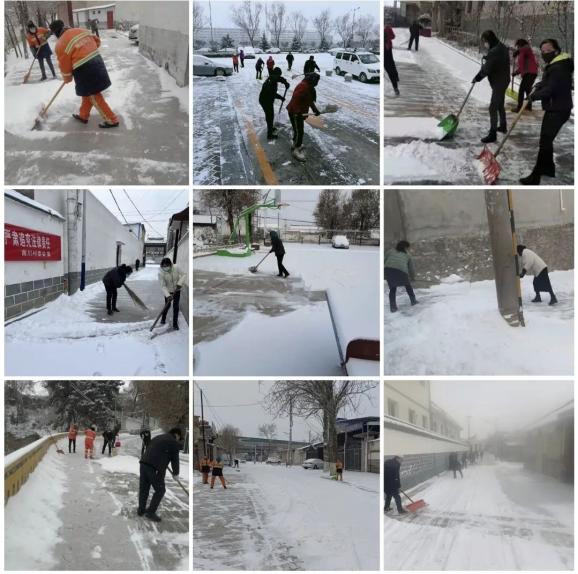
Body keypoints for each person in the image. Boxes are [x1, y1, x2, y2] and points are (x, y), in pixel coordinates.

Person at [520, 39, 573, 185]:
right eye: (542, 51)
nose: (544, 54)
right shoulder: (556, 64)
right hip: (556, 108)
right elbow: (550, 83)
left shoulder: (559, 67)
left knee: (544, 143)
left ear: (556, 50)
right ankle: (548, 168)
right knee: (546, 141)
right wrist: (540, 84)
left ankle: (535, 176)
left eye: (548, 51)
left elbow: (551, 90)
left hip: (558, 110)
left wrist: (533, 96)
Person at [49, 19, 119, 128]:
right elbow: (97, 41)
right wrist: (87, 49)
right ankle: (83, 115)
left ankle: (112, 119)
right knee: (88, 93)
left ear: (55, 32)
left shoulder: (60, 44)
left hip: (85, 69)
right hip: (97, 62)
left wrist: (67, 78)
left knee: (93, 95)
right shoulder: (81, 30)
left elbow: (64, 64)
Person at [472, 30, 510, 143]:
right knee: (500, 104)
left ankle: (492, 134)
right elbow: (497, 61)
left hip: (499, 82)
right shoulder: (501, 46)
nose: (484, 43)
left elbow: (487, 69)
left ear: (489, 39)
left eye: (485, 41)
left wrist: (478, 77)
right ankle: (503, 126)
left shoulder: (494, 51)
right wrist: (488, 58)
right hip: (504, 79)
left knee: (493, 107)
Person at [138, 427, 182, 522]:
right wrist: (176, 473)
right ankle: (150, 512)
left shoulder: (158, 437)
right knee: (160, 490)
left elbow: (151, 447)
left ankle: (141, 510)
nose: (179, 439)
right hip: (154, 468)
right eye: (179, 437)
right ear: (177, 435)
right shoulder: (173, 442)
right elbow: (175, 460)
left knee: (144, 488)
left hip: (143, 464)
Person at [286, 73, 321, 162]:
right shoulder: (303, 87)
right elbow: (295, 99)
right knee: (299, 131)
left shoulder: (308, 87)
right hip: (295, 112)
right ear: (312, 80)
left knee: (297, 130)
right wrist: (297, 112)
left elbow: (309, 100)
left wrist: (315, 110)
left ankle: (295, 144)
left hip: (298, 112)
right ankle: (296, 150)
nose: (316, 84)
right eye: (316, 81)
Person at [384, 240, 417, 313]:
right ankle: (413, 301)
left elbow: (384, 260)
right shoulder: (408, 255)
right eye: (407, 248)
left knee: (393, 289)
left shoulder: (390, 251)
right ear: (405, 247)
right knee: (408, 286)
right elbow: (411, 268)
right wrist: (413, 277)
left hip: (388, 270)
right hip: (401, 271)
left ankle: (393, 307)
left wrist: (385, 274)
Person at [259, 66, 290, 140]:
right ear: (276, 74)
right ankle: (269, 135)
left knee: (270, 115)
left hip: (268, 100)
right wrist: (281, 98)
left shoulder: (273, 77)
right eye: (278, 75)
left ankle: (270, 128)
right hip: (265, 101)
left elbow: (280, 78)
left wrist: (285, 82)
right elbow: (272, 94)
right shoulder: (271, 82)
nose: (279, 76)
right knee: (270, 116)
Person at [158, 257, 187, 330]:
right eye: (164, 266)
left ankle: (175, 323)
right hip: (167, 291)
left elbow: (184, 274)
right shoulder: (161, 273)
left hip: (177, 290)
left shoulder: (176, 267)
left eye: (166, 266)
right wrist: (167, 295)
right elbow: (163, 285)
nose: (165, 267)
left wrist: (179, 283)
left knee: (176, 306)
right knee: (167, 306)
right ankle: (163, 319)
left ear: (170, 264)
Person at [512, 39, 538, 113]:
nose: (517, 47)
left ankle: (519, 108)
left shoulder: (525, 49)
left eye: (517, 46)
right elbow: (522, 66)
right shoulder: (525, 51)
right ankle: (528, 106)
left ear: (520, 45)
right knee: (527, 90)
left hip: (529, 73)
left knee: (521, 90)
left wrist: (517, 52)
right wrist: (516, 73)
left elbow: (523, 51)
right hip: (532, 73)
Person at [384, 24, 400, 96]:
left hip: (387, 49)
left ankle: (395, 86)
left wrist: (387, 38)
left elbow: (393, 36)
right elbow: (393, 36)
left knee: (390, 67)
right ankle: (395, 81)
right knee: (390, 66)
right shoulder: (387, 28)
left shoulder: (387, 28)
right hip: (387, 49)